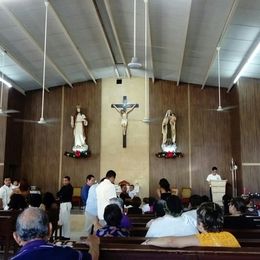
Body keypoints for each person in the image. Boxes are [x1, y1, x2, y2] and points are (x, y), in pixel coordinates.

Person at [11, 207, 99, 260]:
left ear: (16, 237)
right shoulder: (68, 254)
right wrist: (94, 244)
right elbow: (92, 258)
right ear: (50, 229)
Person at [142, 202, 240, 248]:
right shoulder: (230, 236)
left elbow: (171, 241)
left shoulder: (201, 239)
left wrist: (148, 242)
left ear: (201, 224)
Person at [56, 176, 73, 240]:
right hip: (62, 204)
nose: (64, 182)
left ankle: (67, 236)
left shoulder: (69, 187)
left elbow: (63, 195)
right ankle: (62, 235)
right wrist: (60, 195)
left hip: (66, 204)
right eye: (63, 180)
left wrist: (60, 195)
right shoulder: (63, 187)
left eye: (66, 180)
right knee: (62, 220)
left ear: (69, 181)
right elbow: (58, 193)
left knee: (66, 221)